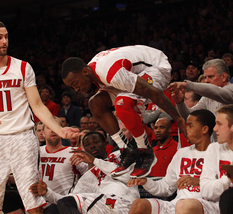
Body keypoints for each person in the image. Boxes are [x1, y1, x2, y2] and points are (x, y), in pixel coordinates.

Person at [0, 20, 80, 214]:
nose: (4, 41)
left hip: (23, 139)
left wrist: (61, 131)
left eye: (6, 36)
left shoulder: (23, 67)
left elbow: (37, 105)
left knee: (33, 200)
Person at [61, 45, 186, 178]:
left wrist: (179, 119)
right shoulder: (95, 72)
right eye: (71, 87)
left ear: (85, 72)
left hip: (157, 67)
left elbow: (152, 92)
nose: (76, 89)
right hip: (134, 71)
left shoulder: (110, 73)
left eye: (75, 83)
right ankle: (126, 150)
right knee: (95, 103)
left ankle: (145, 151)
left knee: (122, 103)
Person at [126, 109, 219, 214]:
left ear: (204, 129)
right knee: (138, 205)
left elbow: (228, 185)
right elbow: (166, 188)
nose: (186, 129)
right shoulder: (182, 153)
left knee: (184, 206)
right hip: (179, 204)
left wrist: (198, 181)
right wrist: (146, 182)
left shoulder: (219, 152)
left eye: (190, 126)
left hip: (208, 206)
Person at [29, 131, 140, 214]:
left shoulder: (119, 156)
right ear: (84, 149)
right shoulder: (89, 176)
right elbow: (68, 200)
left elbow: (128, 176)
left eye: (96, 142)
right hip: (101, 212)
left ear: (105, 142)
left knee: (67, 203)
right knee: (52, 209)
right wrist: (47, 192)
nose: (92, 145)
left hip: (124, 204)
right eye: (87, 145)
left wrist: (94, 161)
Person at [168, 58, 233, 141]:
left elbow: (218, 93)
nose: (207, 80)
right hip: (224, 148)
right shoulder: (207, 98)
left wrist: (188, 85)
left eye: (211, 77)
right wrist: (180, 103)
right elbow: (189, 116)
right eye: (205, 77)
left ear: (224, 77)